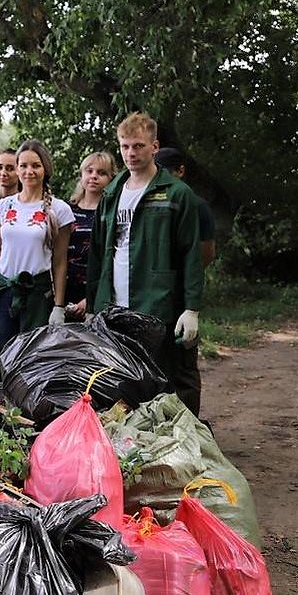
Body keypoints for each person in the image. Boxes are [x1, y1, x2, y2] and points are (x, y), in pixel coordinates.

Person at [89, 113, 204, 413]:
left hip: (160, 306)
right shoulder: (112, 192)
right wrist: (93, 305)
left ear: (154, 147)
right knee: (124, 380)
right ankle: (135, 448)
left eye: (138, 146)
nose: (131, 153)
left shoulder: (177, 194)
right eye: (125, 146)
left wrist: (191, 308)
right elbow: (99, 252)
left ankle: (187, 444)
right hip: (116, 307)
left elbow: (192, 253)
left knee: (174, 379)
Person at [0, 140, 75, 379]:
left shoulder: (59, 210)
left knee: (32, 359)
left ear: (45, 169)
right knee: (2, 353)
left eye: (35, 166)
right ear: (17, 169)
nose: (29, 171)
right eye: (24, 165)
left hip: (37, 294)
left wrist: (59, 307)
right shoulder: (1, 207)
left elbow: (60, 262)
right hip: (4, 291)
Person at [64, 151, 117, 319]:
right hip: (64, 290)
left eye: (101, 173)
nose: (94, 176)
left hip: (97, 291)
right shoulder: (66, 210)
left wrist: (91, 299)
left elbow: (113, 259)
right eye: (90, 171)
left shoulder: (112, 213)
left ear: (111, 178)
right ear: (81, 175)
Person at [155, 146, 216, 268]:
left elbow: (207, 253)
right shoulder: (146, 205)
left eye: (165, 174)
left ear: (180, 171)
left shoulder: (198, 206)